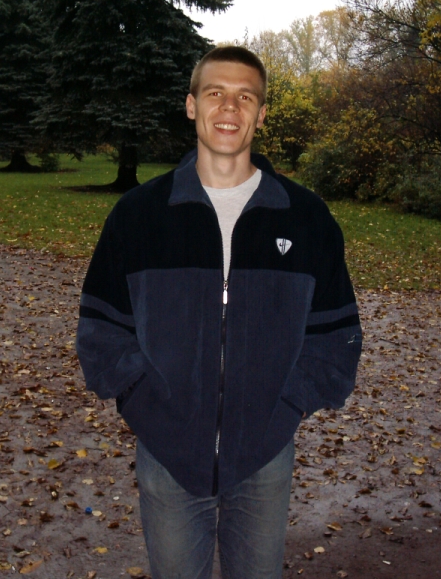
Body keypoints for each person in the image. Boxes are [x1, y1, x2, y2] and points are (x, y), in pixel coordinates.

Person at [76, 46, 362, 579]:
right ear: (191, 106)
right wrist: (144, 401)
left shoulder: (306, 218)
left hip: (264, 455)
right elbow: (100, 329)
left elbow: (337, 333)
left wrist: (288, 404)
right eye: (215, 93)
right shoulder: (139, 216)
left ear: (261, 114)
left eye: (245, 97)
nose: (230, 107)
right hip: (167, 455)